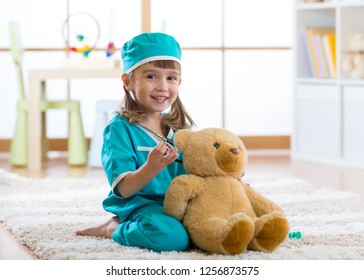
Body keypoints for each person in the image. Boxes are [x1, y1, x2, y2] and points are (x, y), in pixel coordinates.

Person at [76, 32, 195, 252]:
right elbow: (123, 188)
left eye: (171, 78)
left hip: (181, 205)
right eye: (151, 76)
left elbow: (198, 169)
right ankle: (114, 228)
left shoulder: (181, 128)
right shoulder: (119, 129)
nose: (162, 86)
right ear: (127, 81)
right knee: (172, 238)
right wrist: (151, 167)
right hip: (143, 206)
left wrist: (226, 177)